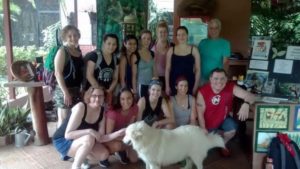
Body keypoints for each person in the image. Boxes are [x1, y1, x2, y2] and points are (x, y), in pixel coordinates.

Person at [52, 86, 125, 169]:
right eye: (94, 96)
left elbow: (101, 138)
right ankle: (76, 166)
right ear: (89, 96)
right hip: (63, 141)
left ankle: (82, 156)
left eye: (100, 96)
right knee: (89, 138)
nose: (97, 99)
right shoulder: (81, 107)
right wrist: (90, 131)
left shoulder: (101, 111)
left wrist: (119, 133)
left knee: (104, 154)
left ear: (104, 97)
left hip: (81, 140)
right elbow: (68, 135)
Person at [196, 68, 255, 156]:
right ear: (210, 79)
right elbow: (200, 114)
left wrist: (246, 104)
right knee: (205, 151)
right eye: (216, 78)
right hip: (208, 124)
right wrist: (203, 128)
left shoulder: (231, 87)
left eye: (222, 78)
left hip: (223, 119)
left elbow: (251, 96)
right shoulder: (202, 91)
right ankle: (214, 138)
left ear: (226, 79)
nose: (219, 81)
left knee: (232, 129)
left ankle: (222, 144)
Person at [54, 25, 84, 127]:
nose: (73, 38)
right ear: (65, 37)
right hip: (64, 90)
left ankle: (70, 140)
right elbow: (58, 73)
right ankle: (59, 141)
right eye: (69, 36)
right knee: (63, 118)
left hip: (76, 89)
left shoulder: (78, 52)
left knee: (73, 118)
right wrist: (65, 92)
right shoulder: (62, 51)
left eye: (75, 35)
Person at [100, 87, 139, 167]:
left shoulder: (135, 107)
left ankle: (121, 151)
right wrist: (124, 138)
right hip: (106, 138)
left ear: (132, 98)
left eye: (129, 98)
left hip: (121, 134)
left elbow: (130, 126)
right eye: (122, 99)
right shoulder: (113, 113)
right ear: (119, 100)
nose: (126, 101)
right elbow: (108, 135)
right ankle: (103, 158)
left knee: (134, 159)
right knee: (118, 145)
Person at [84, 33, 119, 105]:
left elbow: (115, 78)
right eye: (109, 43)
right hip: (93, 92)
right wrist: (100, 91)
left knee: (104, 113)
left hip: (107, 92)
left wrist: (109, 91)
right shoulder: (94, 56)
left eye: (114, 44)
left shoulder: (116, 59)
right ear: (104, 43)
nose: (111, 46)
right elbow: (89, 75)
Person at [165, 26, 200, 96]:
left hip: (189, 82)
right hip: (174, 82)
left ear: (187, 35)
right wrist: (167, 86)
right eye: (179, 35)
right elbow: (167, 69)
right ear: (177, 37)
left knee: (188, 104)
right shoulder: (171, 50)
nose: (181, 37)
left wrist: (195, 86)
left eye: (183, 34)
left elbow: (198, 69)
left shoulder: (194, 50)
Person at [198, 18, 231, 83]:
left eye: (216, 28)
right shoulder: (202, 43)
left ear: (220, 29)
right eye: (211, 28)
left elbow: (225, 63)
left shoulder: (225, 43)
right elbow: (198, 60)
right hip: (202, 78)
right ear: (208, 29)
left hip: (217, 80)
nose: (214, 30)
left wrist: (223, 79)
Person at [132, 30, 157, 98]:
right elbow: (134, 76)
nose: (146, 41)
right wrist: (134, 91)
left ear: (151, 40)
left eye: (148, 38)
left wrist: (157, 85)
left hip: (151, 86)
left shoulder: (152, 53)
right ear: (140, 40)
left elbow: (154, 72)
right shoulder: (136, 55)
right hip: (141, 85)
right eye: (144, 38)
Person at [151, 20, 170, 91]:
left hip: (168, 79)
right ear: (157, 33)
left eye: (165, 32)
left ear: (167, 33)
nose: (163, 34)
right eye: (160, 32)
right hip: (155, 79)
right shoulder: (152, 47)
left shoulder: (171, 47)